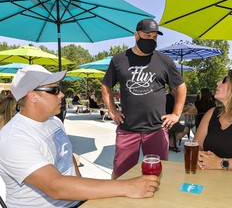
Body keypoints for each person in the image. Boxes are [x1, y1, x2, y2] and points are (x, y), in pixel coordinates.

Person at [0, 65, 159, 208]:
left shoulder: (54, 121)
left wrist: (82, 186)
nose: (62, 94)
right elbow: (55, 187)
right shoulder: (13, 139)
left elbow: (68, 157)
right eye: (54, 90)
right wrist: (128, 187)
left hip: (75, 201)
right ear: (32, 96)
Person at [102, 18, 187, 179]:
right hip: (128, 129)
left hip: (157, 129)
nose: (151, 40)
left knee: (158, 174)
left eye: (154, 37)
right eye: (147, 36)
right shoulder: (119, 59)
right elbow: (106, 86)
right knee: (120, 174)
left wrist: (176, 114)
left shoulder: (165, 61)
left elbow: (181, 87)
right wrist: (112, 110)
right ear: (136, 35)